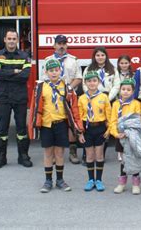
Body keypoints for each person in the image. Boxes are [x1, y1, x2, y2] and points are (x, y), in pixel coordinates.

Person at [27, 59, 83, 193]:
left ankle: (60, 180)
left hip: (61, 124)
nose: (54, 73)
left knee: (59, 153)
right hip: (47, 125)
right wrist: (33, 126)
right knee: (48, 153)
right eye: (51, 71)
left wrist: (78, 128)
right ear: (46, 72)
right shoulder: (40, 87)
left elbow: (74, 108)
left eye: (56, 70)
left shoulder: (67, 88)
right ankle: (47, 181)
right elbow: (34, 107)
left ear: (60, 71)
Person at [0, 29, 32, 169]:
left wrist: (7, 73)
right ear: (4, 40)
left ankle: (23, 156)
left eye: (14, 39)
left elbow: (25, 75)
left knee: (21, 128)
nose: (11, 41)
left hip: (20, 97)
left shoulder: (24, 56)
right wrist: (15, 71)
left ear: (17, 40)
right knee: (2, 129)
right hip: (3, 97)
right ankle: (0, 157)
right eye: (9, 38)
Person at [44, 35, 83, 165]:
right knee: (55, 123)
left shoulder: (74, 60)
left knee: (72, 124)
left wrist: (68, 89)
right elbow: (43, 79)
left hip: (69, 96)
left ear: (67, 45)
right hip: (53, 97)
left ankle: (73, 152)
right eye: (59, 43)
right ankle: (55, 155)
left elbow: (78, 78)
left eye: (64, 43)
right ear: (54, 45)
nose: (61, 46)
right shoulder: (47, 60)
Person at [78, 70, 111, 192]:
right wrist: (80, 132)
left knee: (99, 155)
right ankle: (90, 180)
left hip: (100, 128)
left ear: (98, 82)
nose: (92, 83)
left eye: (94, 81)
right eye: (89, 81)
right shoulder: (82, 98)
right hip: (87, 129)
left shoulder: (103, 97)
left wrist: (109, 130)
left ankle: (99, 180)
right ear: (85, 83)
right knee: (90, 155)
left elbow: (109, 115)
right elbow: (79, 116)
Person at [109, 78, 141, 195]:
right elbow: (112, 120)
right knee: (123, 160)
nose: (125, 92)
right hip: (120, 136)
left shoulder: (136, 104)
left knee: (134, 159)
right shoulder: (115, 104)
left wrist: (129, 132)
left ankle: (136, 184)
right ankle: (122, 183)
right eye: (123, 89)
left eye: (128, 89)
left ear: (133, 91)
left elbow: (137, 120)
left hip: (132, 136)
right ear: (120, 90)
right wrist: (116, 133)